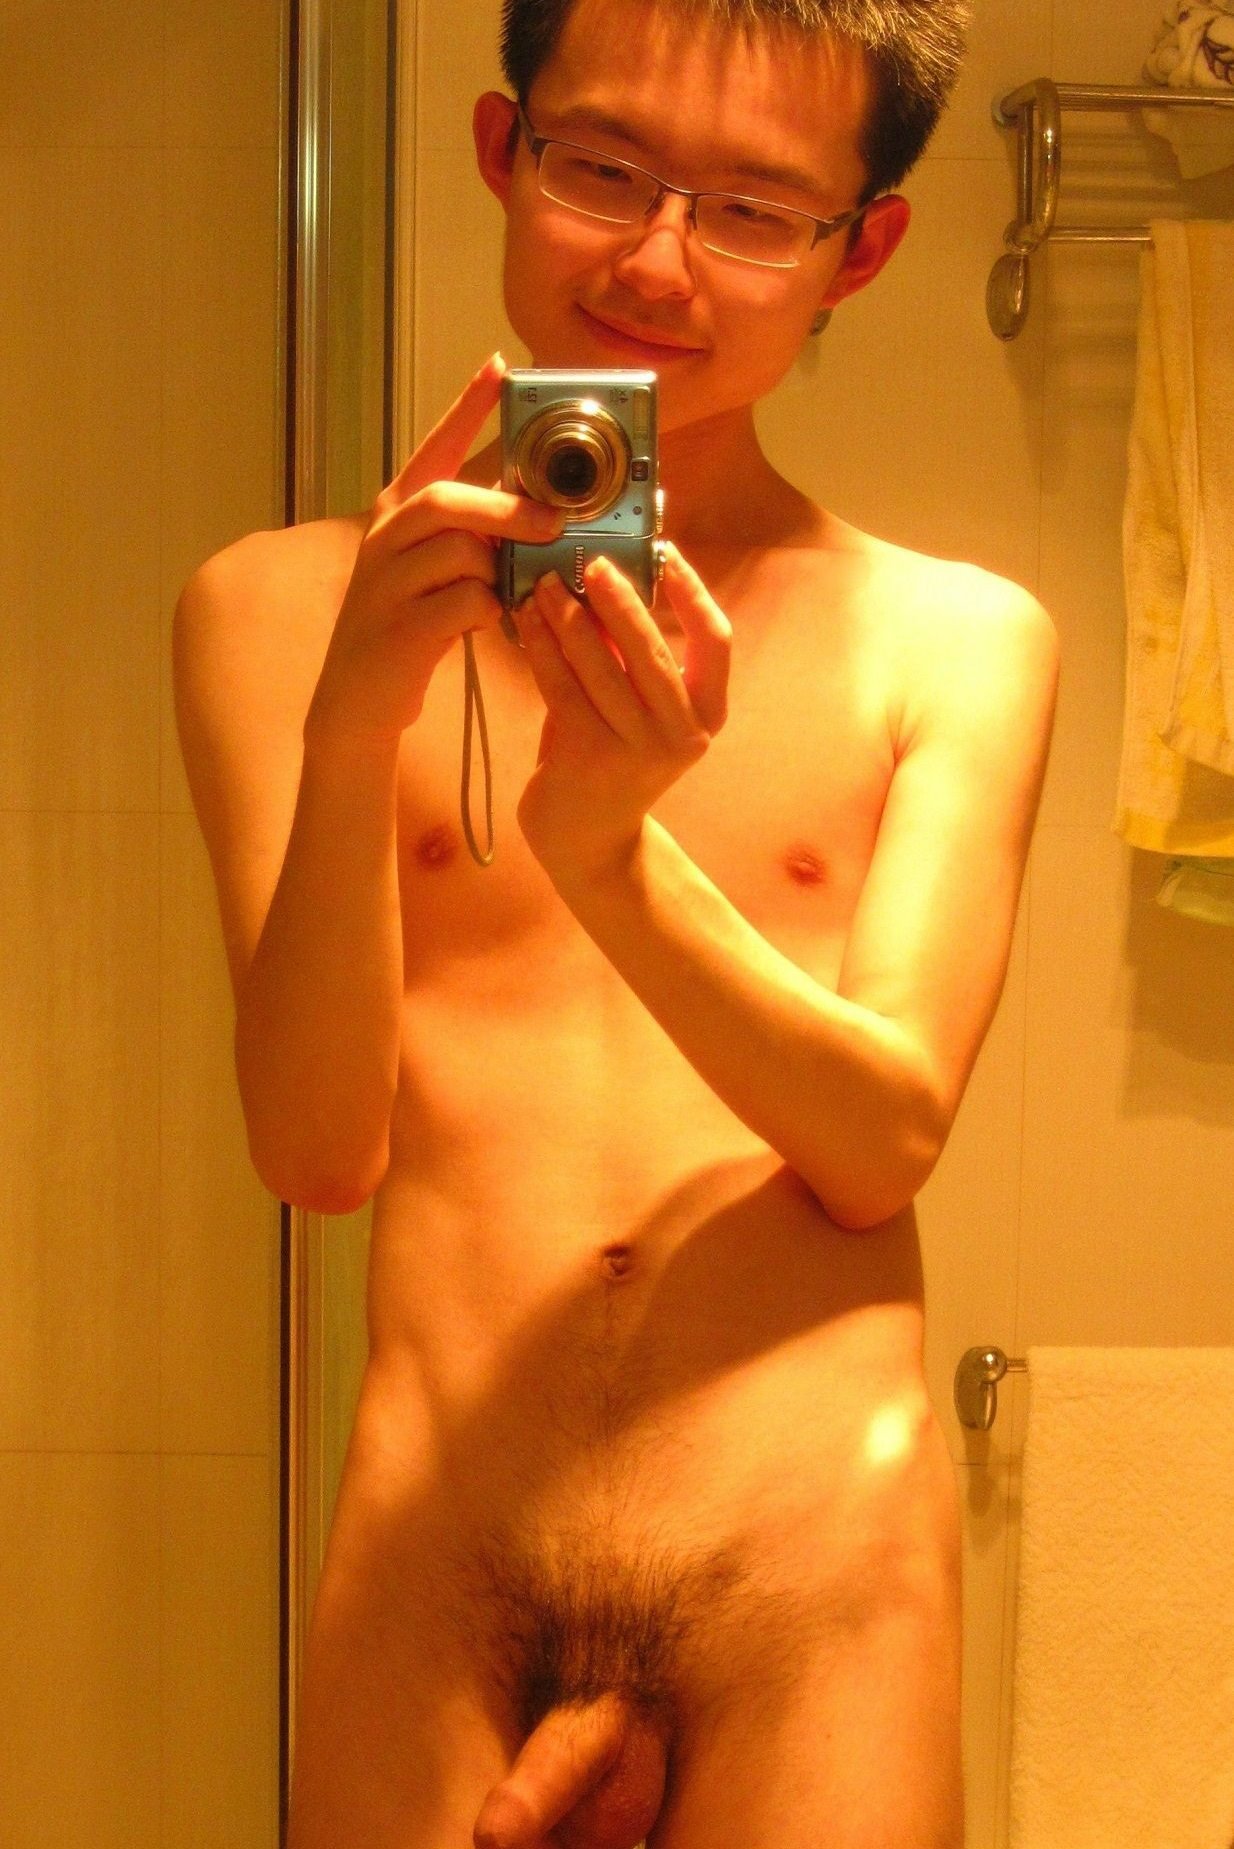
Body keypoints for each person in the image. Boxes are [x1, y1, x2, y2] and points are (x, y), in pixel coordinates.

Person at [174, 0, 1057, 1843]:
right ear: (504, 150)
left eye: (752, 210)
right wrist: (357, 722)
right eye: (604, 168)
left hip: (805, 1574)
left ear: (857, 251)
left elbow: (879, 1139)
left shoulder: (953, 641)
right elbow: (316, 1149)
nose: (656, 261)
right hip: (438, 1558)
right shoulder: (275, 610)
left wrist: (603, 850)